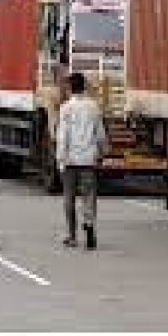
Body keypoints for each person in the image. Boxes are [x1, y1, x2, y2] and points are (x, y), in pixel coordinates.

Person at [56, 72, 107, 250]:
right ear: (84, 87)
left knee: (69, 199)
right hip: (88, 160)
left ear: (70, 88)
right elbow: (100, 134)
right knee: (89, 197)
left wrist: (60, 159)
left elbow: (63, 136)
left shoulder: (66, 108)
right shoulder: (94, 107)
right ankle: (89, 225)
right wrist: (102, 153)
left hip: (70, 160)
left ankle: (72, 236)